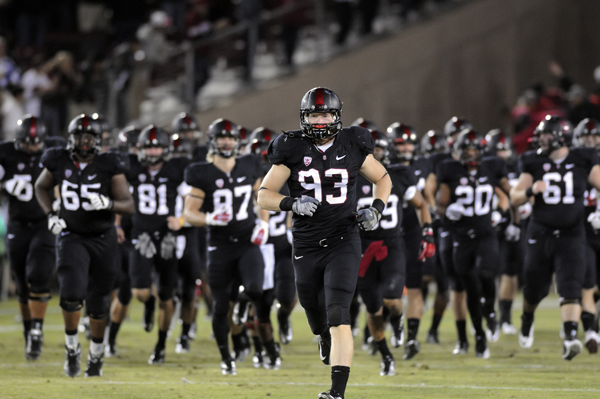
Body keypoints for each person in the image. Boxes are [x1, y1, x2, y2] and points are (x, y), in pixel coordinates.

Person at [257, 87, 392, 399]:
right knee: (314, 312)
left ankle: (337, 392)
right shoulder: (290, 147)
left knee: (338, 311)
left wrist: (376, 209)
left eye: (326, 114)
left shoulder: (354, 142)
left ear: (336, 116)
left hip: (344, 239)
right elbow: (264, 194)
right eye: (315, 114)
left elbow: (383, 179)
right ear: (305, 117)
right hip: (305, 244)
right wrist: (291, 203)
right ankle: (322, 336)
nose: (321, 121)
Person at [34, 114, 134, 377]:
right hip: (71, 235)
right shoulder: (58, 159)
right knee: (71, 293)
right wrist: (50, 215)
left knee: (99, 301)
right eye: (80, 136)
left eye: (89, 137)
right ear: (71, 138)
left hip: (102, 237)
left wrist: (109, 204)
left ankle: (97, 353)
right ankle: (72, 348)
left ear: (98, 140)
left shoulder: (109, 163)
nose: (85, 141)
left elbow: (128, 203)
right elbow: (41, 187)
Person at [184, 118, 281, 375]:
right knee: (219, 307)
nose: (227, 142)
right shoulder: (200, 172)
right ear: (213, 141)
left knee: (256, 289)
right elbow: (189, 213)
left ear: (238, 142)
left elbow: (262, 196)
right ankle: (226, 358)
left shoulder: (249, 164)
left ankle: (242, 303)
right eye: (222, 138)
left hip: (247, 241)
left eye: (231, 138)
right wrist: (209, 218)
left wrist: (264, 224)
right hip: (219, 245)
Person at [511, 115, 600, 360]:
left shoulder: (583, 159)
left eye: (546, 136)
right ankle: (527, 318)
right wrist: (530, 190)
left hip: (572, 234)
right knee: (535, 289)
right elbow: (514, 197)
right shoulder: (532, 161)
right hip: (541, 234)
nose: (541, 140)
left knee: (571, 285)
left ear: (561, 136)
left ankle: (571, 338)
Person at [436, 129, 512, 358]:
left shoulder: (490, 168)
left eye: (474, 151)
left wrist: (499, 213)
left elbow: (505, 196)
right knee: (470, 289)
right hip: (461, 237)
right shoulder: (449, 171)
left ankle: (490, 310)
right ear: (458, 152)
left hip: (485, 233)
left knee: (487, 273)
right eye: (466, 151)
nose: (470, 156)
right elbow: (441, 203)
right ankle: (479, 336)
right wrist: (447, 210)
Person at [126, 124, 190, 364]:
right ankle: (149, 303)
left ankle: (161, 345)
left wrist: (182, 220)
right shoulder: (131, 166)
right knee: (140, 293)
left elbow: (191, 199)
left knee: (167, 295)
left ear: (166, 149)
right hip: (141, 234)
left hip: (167, 238)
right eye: (148, 147)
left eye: (157, 147)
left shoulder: (177, 168)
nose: (152, 152)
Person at [1, 115, 59, 361]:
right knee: (22, 281)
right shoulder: (5, 152)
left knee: (39, 275)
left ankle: (37, 328)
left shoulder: (56, 151)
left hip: (45, 222)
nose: (33, 148)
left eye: (37, 143)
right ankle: (30, 332)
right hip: (18, 223)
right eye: (28, 143)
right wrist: (4, 186)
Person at [387, 122, 436, 360]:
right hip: (388, 232)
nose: (406, 147)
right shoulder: (385, 168)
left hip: (413, 230)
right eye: (401, 143)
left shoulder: (422, 165)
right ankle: (376, 328)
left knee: (415, 287)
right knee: (385, 289)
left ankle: (412, 338)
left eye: (409, 143)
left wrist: (430, 227)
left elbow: (427, 198)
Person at [572, 118, 600, 353]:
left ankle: (594, 328)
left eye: (595, 137)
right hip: (582, 230)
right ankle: (591, 331)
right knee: (587, 282)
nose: (590, 142)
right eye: (586, 138)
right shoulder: (573, 164)